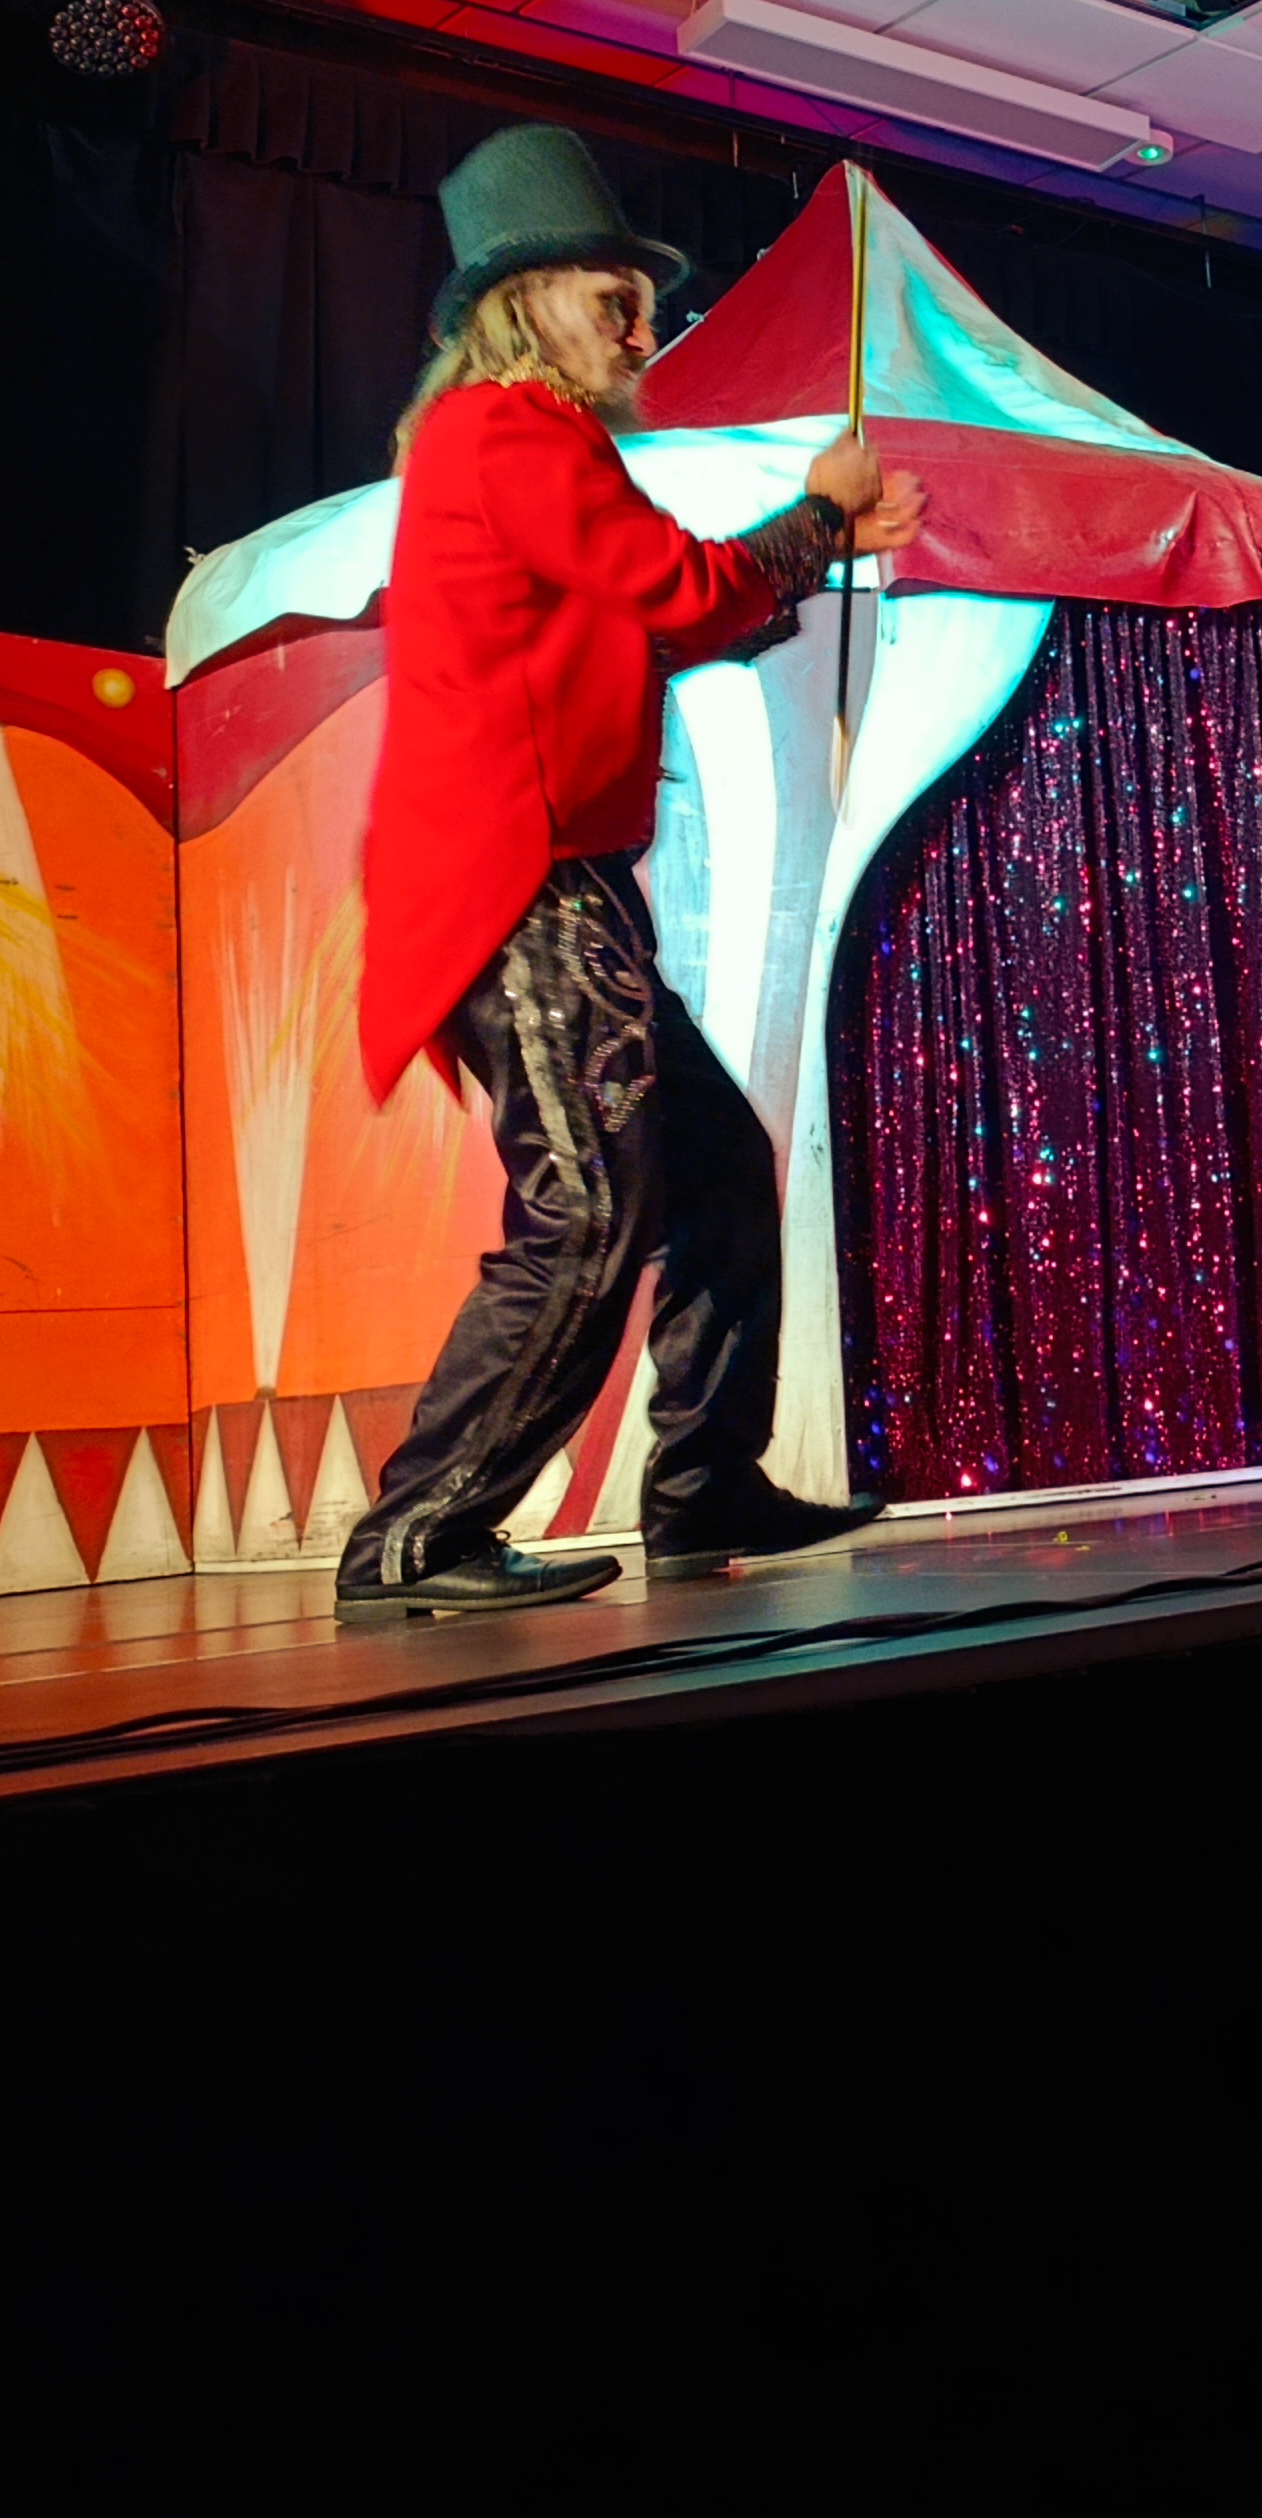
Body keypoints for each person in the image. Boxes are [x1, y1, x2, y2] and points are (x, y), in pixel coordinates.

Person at [339, 126, 923, 1616]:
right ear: (525, 301)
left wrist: (819, 544)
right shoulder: (508, 432)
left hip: (564, 882)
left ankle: (703, 1485)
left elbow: (660, 622)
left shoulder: (528, 449)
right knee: (589, 1210)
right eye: (615, 302)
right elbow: (678, 589)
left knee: (714, 1177)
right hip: (519, 880)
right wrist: (820, 516)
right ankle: (417, 1537)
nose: (641, 334)